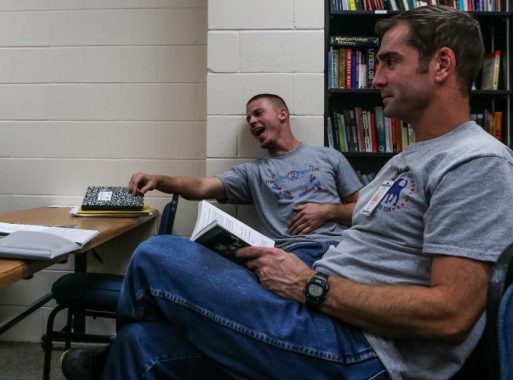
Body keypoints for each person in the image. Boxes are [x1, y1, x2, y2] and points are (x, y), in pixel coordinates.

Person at [66, 5, 513, 380]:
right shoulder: (410, 159)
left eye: (391, 62)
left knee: (157, 257)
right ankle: (116, 361)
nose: (376, 78)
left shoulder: (477, 165)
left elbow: (450, 314)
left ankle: (111, 356)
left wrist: (310, 285)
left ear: (442, 64)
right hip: (325, 320)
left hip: (367, 362)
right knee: (139, 348)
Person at [128, 93, 363, 266]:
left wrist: (328, 211)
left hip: (340, 247)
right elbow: (201, 187)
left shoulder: (328, 156)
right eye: (248, 118)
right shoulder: (253, 172)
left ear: (282, 114)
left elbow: (364, 212)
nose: (251, 121)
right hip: (292, 254)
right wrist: (159, 180)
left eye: (258, 113)